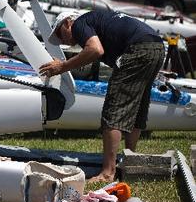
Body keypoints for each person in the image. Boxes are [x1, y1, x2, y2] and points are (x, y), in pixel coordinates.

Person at [38, 10, 165, 183]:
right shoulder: (96, 21)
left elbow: (95, 50)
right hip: (156, 46)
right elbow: (91, 54)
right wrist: (64, 63)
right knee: (137, 107)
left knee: (113, 111)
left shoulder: (80, 24)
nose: (62, 41)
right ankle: (130, 161)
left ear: (68, 22)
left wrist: (62, 67)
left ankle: (107, 173)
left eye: (60, 34)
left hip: (137, 48)